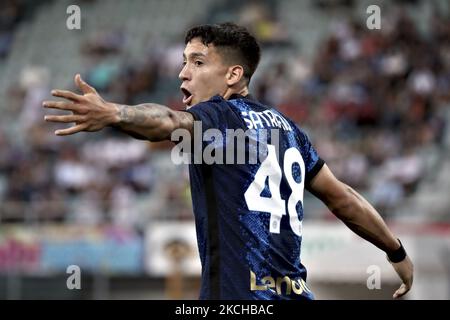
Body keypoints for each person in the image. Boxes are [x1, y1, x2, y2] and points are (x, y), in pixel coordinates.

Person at [43, 22, 413, 300]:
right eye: (184, 61)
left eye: (198, 62)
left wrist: (115, 113)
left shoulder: (220, 117)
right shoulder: (288, 129)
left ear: (233, 75)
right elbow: (344, 197)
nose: (182, 72)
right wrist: (395, 251)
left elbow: (170, 122)